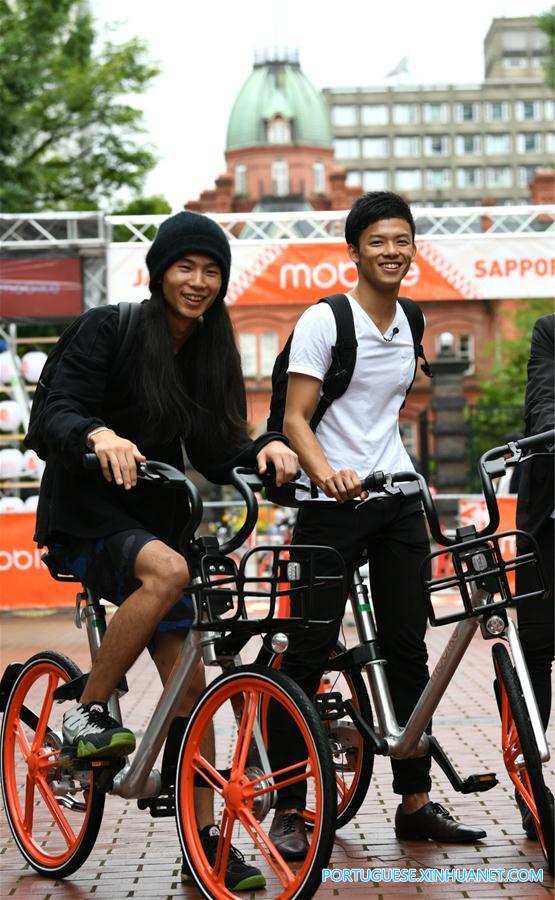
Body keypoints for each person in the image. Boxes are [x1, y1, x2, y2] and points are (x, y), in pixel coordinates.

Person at [34, 210, 298, 890]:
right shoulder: (111, 328)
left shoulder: (209, 351)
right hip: (87, 513)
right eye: (185, 267)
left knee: (191, 690)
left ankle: (202, 843)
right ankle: (87, 711)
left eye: (211, 271)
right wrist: (98, 434)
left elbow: (214, 447)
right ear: (159, 273)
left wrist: (263, 449)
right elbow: (54, 411)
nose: (198, 281)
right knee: (171, 570)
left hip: (155, 520)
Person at [267, 191, 486, 858]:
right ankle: (288, 805)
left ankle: (414, 803)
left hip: (394, 499)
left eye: (401, 240)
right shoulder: (325, 320)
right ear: (354, 251)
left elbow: (381, 414)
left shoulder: (410, 317)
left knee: (406, 647)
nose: (391, 251)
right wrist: (327, 473)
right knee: (305, 652)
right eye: (377, 241)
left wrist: (394, 472)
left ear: (412, 247)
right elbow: (294, 418)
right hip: (330, 506)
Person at [514, 313, 554, 838]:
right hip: (549, 527)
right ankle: (533, 789)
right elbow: (542, 405)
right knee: (537, 652)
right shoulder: (550, 331)